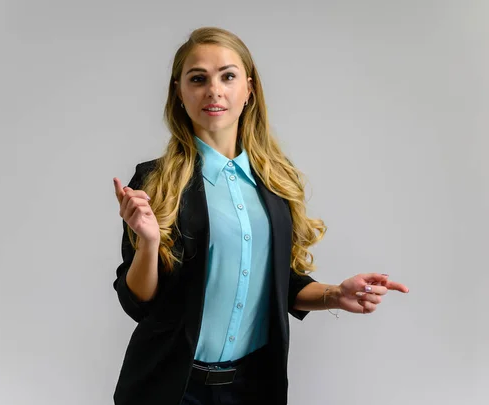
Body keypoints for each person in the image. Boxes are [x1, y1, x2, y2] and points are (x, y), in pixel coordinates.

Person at [111, 27, 409, 405]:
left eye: (228, 76)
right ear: (179, 91)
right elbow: (139, 302)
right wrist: (149, 242)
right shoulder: (154, 182)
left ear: (248, 90)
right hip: (170, 387)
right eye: (198, 78)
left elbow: (279, 283)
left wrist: (335, 294)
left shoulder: (275, 182)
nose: (214, 90)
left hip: (253, 387)